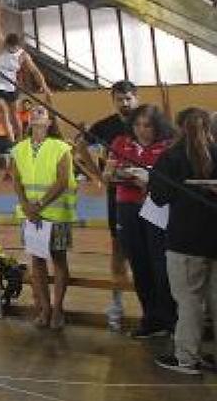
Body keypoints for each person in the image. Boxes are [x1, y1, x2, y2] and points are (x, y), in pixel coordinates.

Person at [148, 108, 217, 374]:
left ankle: (187, 357)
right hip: (211, 240)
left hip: (186, 242)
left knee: (189, 301)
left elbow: (159, 197)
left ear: (179, 128)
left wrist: (154, 180)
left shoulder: (172, 157)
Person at [107, 104, 176, 339]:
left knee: (161, 266)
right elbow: (108, 175)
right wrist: (122, 175)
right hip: (127, 207)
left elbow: (172, 182)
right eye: (137, 124)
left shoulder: (168, 146)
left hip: (157, 210)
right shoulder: (121, 143)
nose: (141, 130)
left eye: (147, 125)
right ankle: (151, 318)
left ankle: (171, 320)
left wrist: (149, 180)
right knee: (139, 264)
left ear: (158, 126)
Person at [10, 105, 76, 330]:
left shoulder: (61, 147)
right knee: (37, 262)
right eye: (33, 112)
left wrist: (38, 205)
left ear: (49, 122)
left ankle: (58, 308)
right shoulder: (18, 149)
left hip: (55, 213)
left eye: (42, 112)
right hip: (30, 215)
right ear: (28, 121)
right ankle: (45, 309)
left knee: (58, 260)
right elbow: (16, 181)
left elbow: (62, 180)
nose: (36, 113)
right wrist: (26, 206)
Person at [80, 80, 138, 329]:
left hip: (147, 196)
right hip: (118, 196)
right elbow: (81, 147)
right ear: (113, 100)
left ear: (136, 98)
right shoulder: (105, 126)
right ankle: (117, 301)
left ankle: (156, 305)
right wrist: (96, 175)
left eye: (129, 99)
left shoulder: (148, 121)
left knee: (151, 250)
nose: (125, 104)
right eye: (120, 99)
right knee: (118, 247)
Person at [0, 5, 51, 142]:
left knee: (14, 115)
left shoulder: (23, 55)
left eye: (13, 48)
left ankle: (22, 140)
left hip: (11, 87)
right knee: (4, 113)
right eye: (8, 47)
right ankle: (12, 142)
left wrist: (45, 86)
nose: (10, 50)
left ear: (17, 45)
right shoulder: (1, 45)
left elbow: (35, 72)